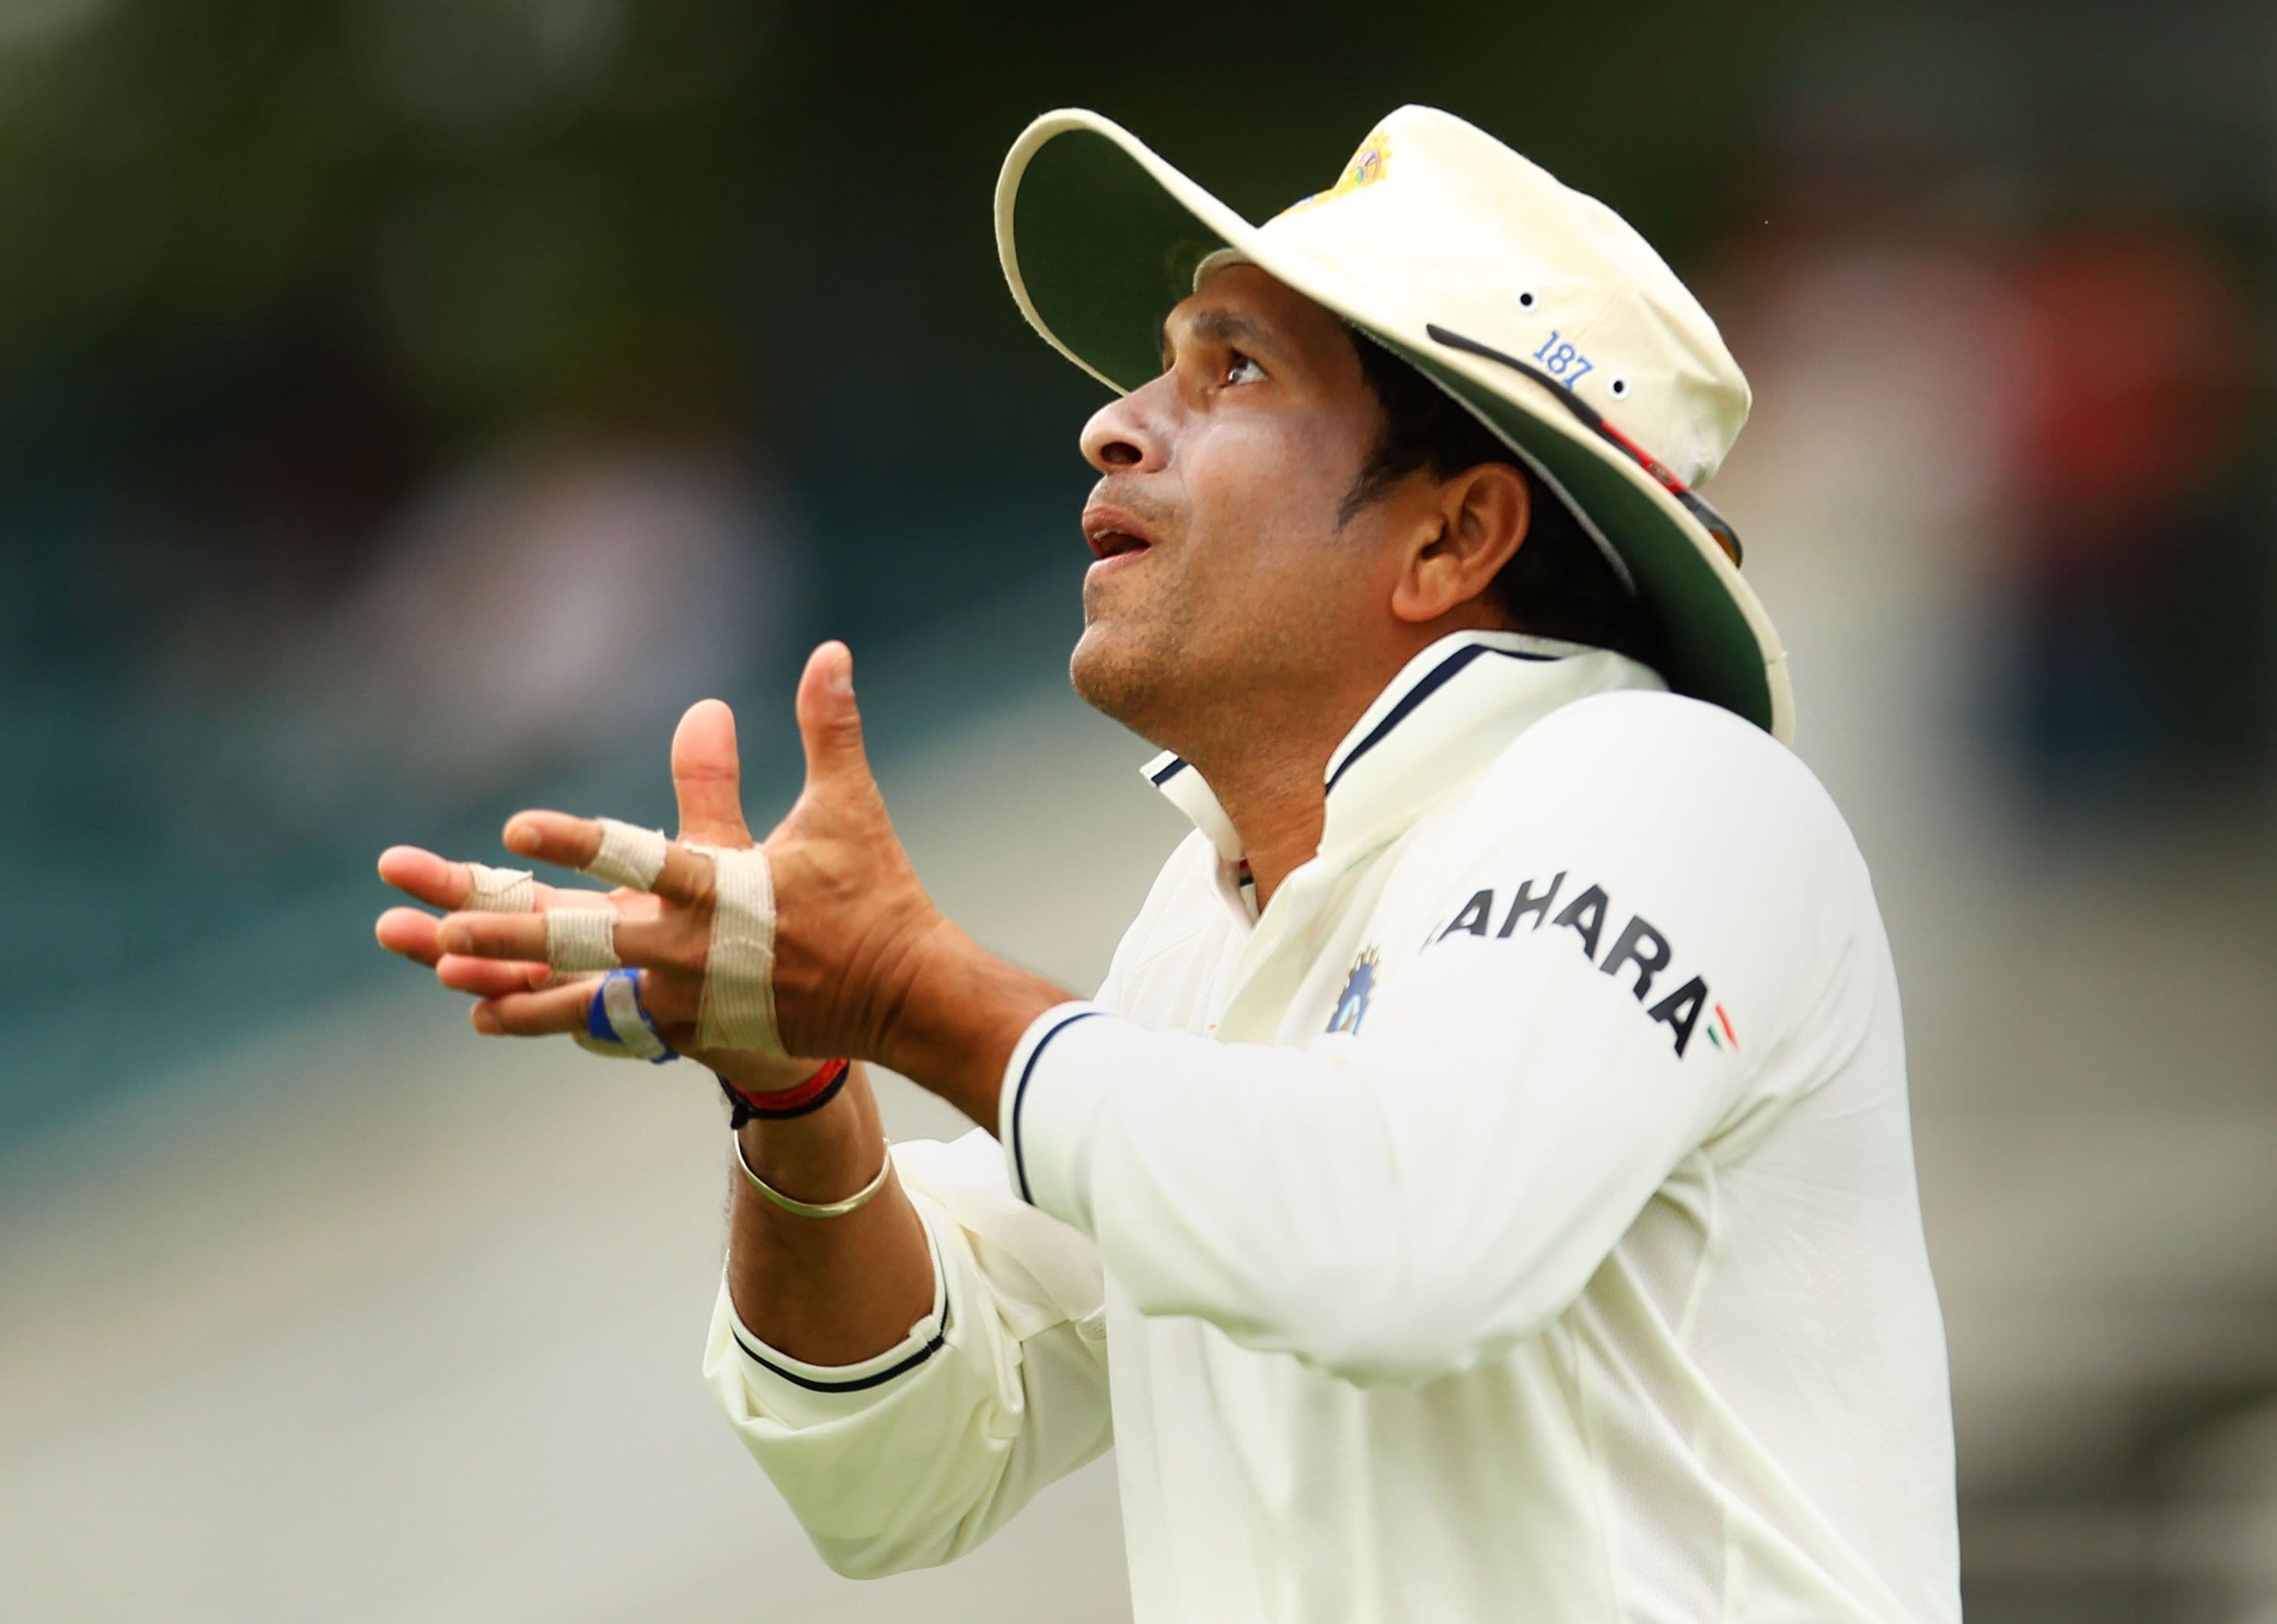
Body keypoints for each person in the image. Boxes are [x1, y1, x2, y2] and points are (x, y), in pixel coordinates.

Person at [375, 106, 1960, 1622]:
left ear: (1452, 538)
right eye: (1164, 369)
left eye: (1235, 372)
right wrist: (796, 1092)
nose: (1115, 421)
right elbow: (895, 1465)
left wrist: (907, 992)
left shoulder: (1668, 785)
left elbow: (1407, 1243)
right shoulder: (1207, 927)